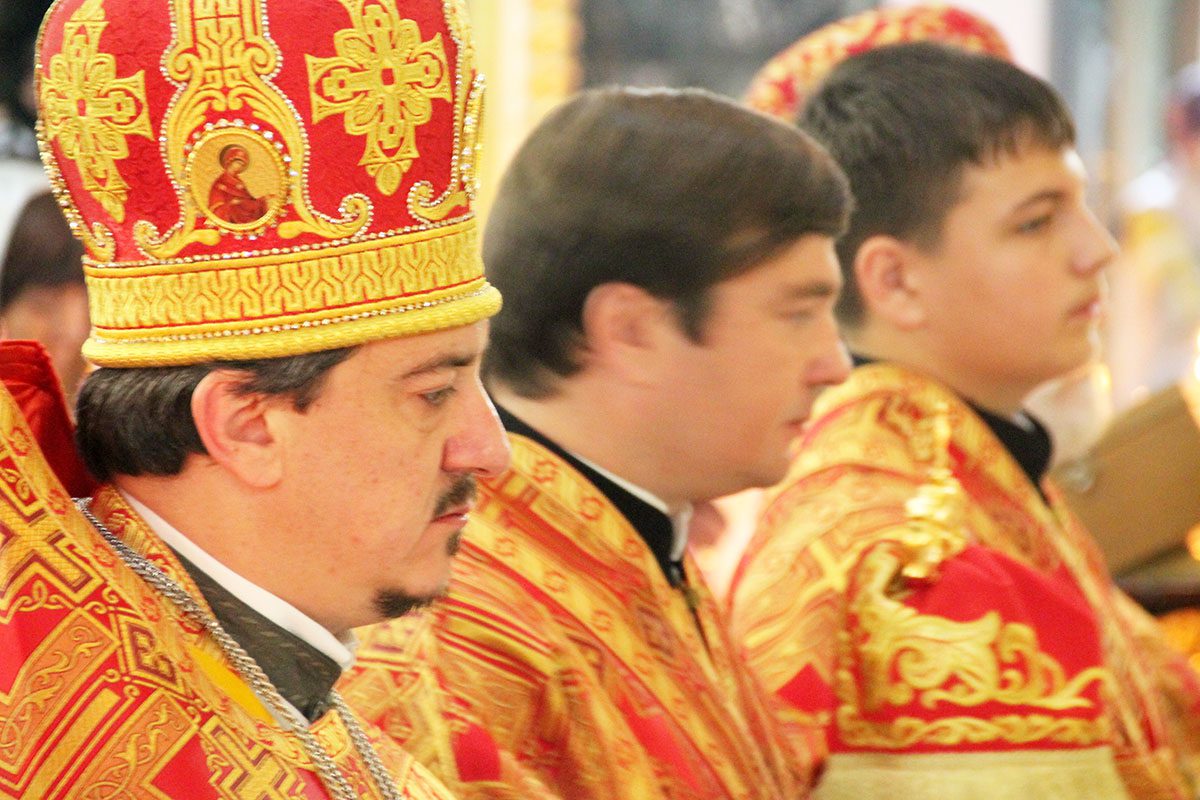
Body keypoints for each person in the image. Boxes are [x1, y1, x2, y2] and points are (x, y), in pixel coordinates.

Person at [2, 0, 509, 797]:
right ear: (246, 427)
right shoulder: (77, 745)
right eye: (434, 393)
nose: (491, 449)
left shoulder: (267, 675)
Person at [341, 86, 853, 799]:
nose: (835, 364)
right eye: (798, 315)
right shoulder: (460, 629)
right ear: (630, 330)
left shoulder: (638, 545)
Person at [728, 39, 1200, 799]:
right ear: (895, 280)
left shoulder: (973, 469)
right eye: (1036, 223)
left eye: (1080, 205)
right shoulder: (908, 548)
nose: (1098, 249)